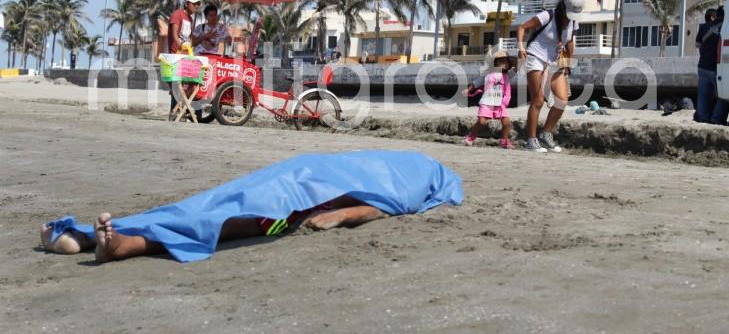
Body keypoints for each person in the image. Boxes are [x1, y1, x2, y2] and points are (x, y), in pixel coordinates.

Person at [40, 151, 463, 263]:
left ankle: (119, 243)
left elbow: (382, 204)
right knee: (224, 211)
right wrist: (343, 214)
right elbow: (381, 201)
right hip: (298, 184)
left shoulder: (412, 176)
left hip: (294, 201)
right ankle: (98, 237)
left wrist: (340, 215)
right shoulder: (414, 171)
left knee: (233, 220)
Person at [517, 0, 585, 153]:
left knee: (562, 100)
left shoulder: (574, 21)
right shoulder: (548, 15)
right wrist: (520, 46)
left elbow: (569, 42)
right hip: (535, 55)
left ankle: (545, 135)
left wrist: (568, 61)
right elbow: (522, 27)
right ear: (563, 6)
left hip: (554, 59)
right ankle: (531, 140)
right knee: (538, 100)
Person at [463, 51, 515, 148]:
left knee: (506, 122)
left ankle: (504, 140)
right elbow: (476, 82)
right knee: (481, 121)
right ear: (495, 63)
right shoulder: (488, 74)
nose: (504, 64)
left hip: (500, 104)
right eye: (501, 61)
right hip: (487, 102)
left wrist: (506, 101)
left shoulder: (507, 76)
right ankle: (471, 136)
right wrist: (468, 90)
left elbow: (508, 89)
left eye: (506, 62)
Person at [695, 6, 724, 123]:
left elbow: (697, 45)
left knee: (703, 96)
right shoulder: (725, 26)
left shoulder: (704, 27)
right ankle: (716, 118)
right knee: (723, 95)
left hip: (702, 66)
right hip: (717, 67)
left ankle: (703, 119)